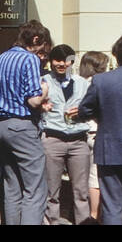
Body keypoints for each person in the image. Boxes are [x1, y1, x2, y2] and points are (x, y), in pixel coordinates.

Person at [0, 20, 52, 225]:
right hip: (22, 126)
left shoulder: (1, 58)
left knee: (12, 187)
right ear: (36, 39)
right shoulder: (30, 59)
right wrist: (45, 89)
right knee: (34, 189)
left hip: (0, 125)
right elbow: (34, 100)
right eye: (42, 44)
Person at [74, 35, 122, 225]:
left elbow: (85, 110)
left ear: (117, 57)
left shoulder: (102, 81)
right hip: (110, 148)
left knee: (112, 206)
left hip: (110, 149)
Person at [40, 44, 91, 225]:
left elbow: (93, 109)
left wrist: (82, 111)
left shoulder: (83, 83)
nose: (62, 64)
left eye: (66, 60)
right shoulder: (43, 81)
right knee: (51, 191)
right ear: (51, 62)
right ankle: (52, 222)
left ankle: (82, 222)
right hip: (53, 139)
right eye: (58, 60)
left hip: (78, 141)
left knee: (81, 191)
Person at [78, 51, 110, 222]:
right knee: (95, 177)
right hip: (96, 131)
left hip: (85, 132)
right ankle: (95, 214)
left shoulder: (79, 82)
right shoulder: (98, 83)